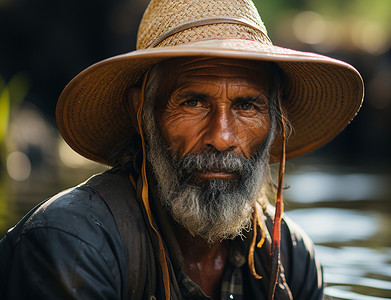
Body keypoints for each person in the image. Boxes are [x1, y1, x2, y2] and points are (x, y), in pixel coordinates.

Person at [0, 0, 364, 299]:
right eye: (193, 102)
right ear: (141, 111)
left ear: (275, 119)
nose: (221, 137)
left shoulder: (291, 260)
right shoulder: (71, 243)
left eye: (247, 106)